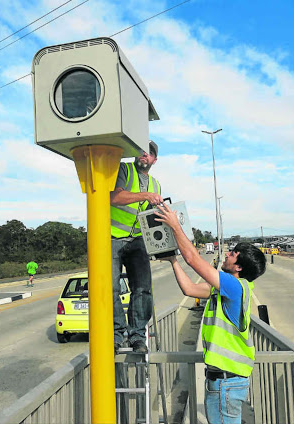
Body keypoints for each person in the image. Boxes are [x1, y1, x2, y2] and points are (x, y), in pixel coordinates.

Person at [154, 203, 266, 424]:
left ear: (239, 267)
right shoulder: (226, 290)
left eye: (233, 254)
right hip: (223, 381)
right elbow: (190, 289)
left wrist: (176, 226)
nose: (227, 254)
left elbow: (194, 260)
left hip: (226, 382)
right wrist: (173, 261)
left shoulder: (235, 287)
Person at [110, 140, 163, 354]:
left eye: (149, 152)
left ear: (154, 160)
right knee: (110, 288)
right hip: (112, 237)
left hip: (139, 240)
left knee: (142, 289)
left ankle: (137, 337)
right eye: (141, 150)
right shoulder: (124, 169)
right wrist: (145, 196)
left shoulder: (156, 184)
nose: (144, 154)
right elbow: (114, 197)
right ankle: (115, 335)